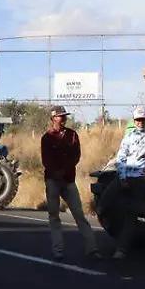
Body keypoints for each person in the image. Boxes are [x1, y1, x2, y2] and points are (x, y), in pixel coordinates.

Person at [40, 106, 99, 261]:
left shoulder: (72, 135)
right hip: (53, 181)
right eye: (60, 116)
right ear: (53, 118)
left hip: (68, 180)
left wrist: (65, 170)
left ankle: (91, 248)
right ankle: (58, 250)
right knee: (54, 216)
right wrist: (56, 172)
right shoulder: (47, 138)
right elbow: (46, 160)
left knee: (79, 214)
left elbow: (76, 155)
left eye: (64, 116)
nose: (63, 118)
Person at [102, 105, 145, 260]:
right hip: (125, 175)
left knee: (131, 214)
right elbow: (121, 157)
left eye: (143, 119)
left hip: (140, 178)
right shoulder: (129, 137)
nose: (140, 122)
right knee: (104, 201)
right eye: (138, 119)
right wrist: (122, 178)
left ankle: (122, 250)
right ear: (134, 120)